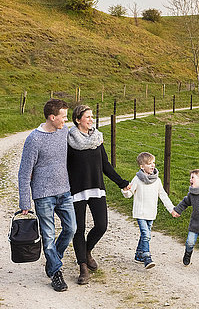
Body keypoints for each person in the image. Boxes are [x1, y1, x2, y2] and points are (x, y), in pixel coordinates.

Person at [67, 105, 130, 285]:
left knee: (101, 225)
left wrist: (122, 183)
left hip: (96, 188)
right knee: (78, 229)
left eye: (92, 116)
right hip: (77, 190)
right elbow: (62, 167)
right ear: (78, 120)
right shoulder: (69, 140)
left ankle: (86, 251)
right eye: (87, 117)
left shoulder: (97, 138)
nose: (91, 119)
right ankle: (83, 267)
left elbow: (105, 165)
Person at [17, 99, 76, 292]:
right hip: (43, 195)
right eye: (63, 117)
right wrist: (25, 201)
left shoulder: (63, 132)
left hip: (64, 191)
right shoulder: (34, 140)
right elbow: (24, 172)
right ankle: (56, 273)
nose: (66, 121)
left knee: (71, 229)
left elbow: (81, 138)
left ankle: (52, 260)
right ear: (52, 117)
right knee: (48, 236)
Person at [121, 152, 176, 269]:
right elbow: (129, 194)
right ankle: (147, 257)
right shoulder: (137, 179)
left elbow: (163, 196)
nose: (152, 166)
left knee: (145, 235)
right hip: (140, 213)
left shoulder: (157, 181)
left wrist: (172, 209)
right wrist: (125, 190)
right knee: (146, 235)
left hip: (151, 213)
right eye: (149, 164)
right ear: (142, 166)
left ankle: (138, 255)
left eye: (153, 163)